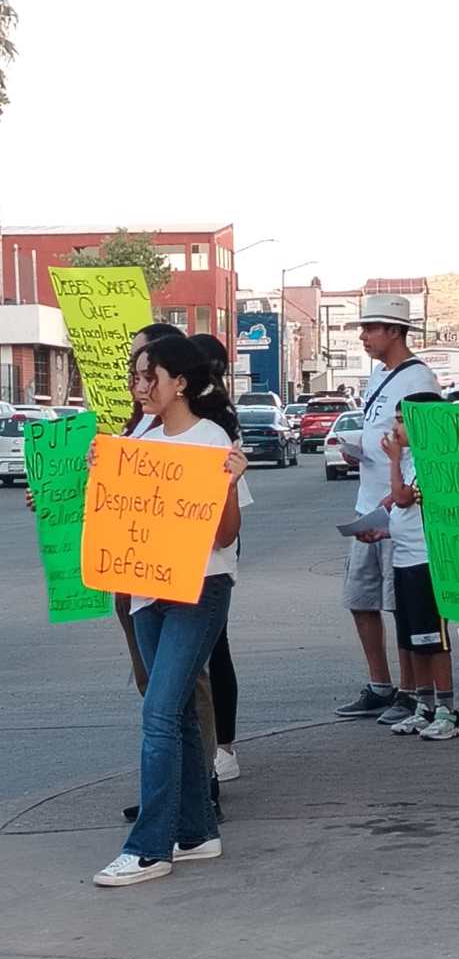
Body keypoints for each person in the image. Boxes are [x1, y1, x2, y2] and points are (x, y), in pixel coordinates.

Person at [94, 336, 249, 887]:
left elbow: (227, 533)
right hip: (145, 590)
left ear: (179, 382)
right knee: (176, 713)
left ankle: (150, 847)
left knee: (159, 713)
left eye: (148, 376)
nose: (139, 387)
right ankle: (197, 830)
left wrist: (228, 482)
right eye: (136, 377)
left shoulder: (211, 439)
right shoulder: (140, 437)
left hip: (199, 588)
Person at [335, 295, 439, 723]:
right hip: (369, 500)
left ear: (395, 331)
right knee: (361, 598)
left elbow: (425, 450)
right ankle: (381, 684)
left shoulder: (419, 380)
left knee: (403, 604)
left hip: (396, 509)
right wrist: (358, 451)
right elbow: (382, 434)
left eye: (370, 328)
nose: (363, 336)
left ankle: (413, 691)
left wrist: (395, 495)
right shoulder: (379, 375)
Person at [378, 392, 459, 740]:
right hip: (405, 558)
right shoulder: (414, 459)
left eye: (403, 420)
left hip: (429, 561)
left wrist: (393, 461)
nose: (396, 427)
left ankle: (448, 710)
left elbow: (402, 497)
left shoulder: (434, 461)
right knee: (412, 638)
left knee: (433, 639)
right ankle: (423, 705)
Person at [191, 333, 244, 782]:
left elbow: (228, 528)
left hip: (207, 563)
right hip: (155, 568)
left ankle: (217, 753)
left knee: (209, 653)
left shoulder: (213, 429)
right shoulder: (145, 426)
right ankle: (195, 768)